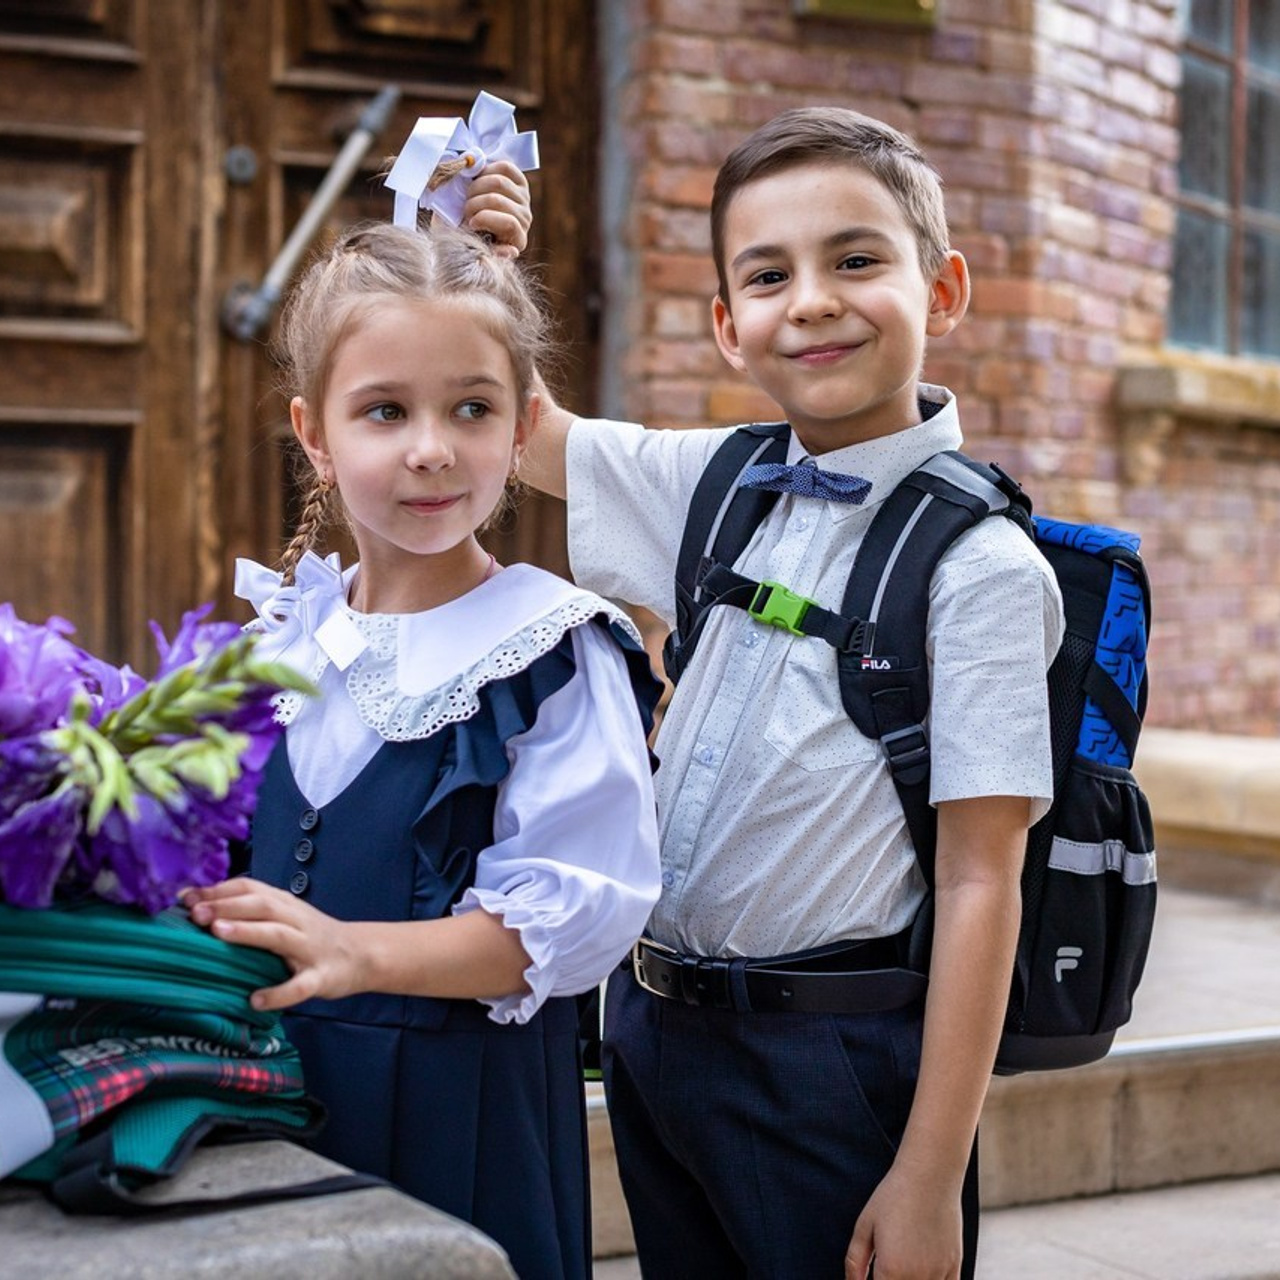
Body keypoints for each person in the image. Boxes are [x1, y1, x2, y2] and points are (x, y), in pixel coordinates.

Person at [520, 107, 1066, 1279]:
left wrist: (926, 1177)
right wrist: (475, 249)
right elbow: (510, 427)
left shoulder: (977, 568)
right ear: (727, 324)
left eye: (856, 260)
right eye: (768, 276)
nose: (811, 300)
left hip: (833, 1063)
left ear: (944, 289)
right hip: (656, 1034)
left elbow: (981, 877)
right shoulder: (713, 482)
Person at [184, 212, 663, 1280]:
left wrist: (358, 953)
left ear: (523, 421)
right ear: (315, 432)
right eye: (385, 410)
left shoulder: (553, 648)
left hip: (463, 1126)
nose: (431, 446)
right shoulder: (276, 648)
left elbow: (568, 918)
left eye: (472, 408)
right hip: (263, 1101)